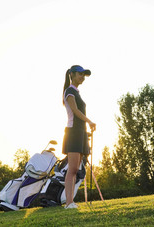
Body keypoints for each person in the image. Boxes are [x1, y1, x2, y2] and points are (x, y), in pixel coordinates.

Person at [62, 65, 96, 209]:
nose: (82, 77)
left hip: (80, 132)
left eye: (84, 75)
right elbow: (75, 111)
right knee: (72, 169)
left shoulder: (76, 92)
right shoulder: (69, 91)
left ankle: (71, 201)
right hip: (73, 133)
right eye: (80, 74)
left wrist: (86, 129)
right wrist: (89, 121)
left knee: (76, 169)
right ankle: (69, 202)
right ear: (72, 74)